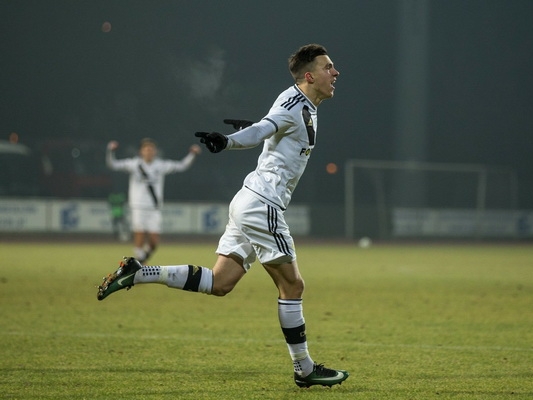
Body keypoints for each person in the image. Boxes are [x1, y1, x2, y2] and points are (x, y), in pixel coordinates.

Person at [97, 44, 348, 388]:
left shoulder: (303, 104)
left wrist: (259, 129)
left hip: (248, 202)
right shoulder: (293, 105)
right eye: (328, 67)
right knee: (293, 285)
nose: (335, 73)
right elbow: (265, 129)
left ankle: (139, 273)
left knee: (220, 283)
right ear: (310, 75)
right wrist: (229, 141)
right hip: (263, 205)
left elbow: (269, 129)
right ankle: (303, 370)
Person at [106, 138, 201, 263]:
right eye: (146, 149)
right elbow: (113, 164)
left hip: (154, 207)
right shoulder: (134, 164)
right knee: (139, 235)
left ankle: (140, 260)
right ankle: (138, 265)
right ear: (141, 152)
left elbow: (182, 166)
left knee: (154, 242)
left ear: (155, 152)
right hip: (138, 205)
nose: (149, 151)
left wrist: (192, 154)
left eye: (151, 149)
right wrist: (110, 151)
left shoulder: (160, 165)